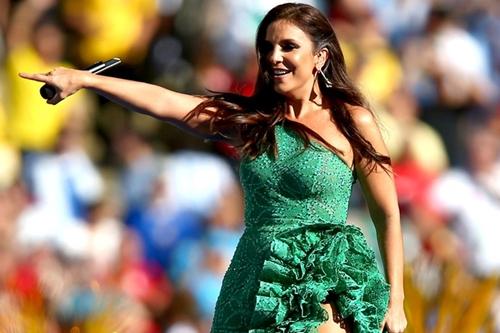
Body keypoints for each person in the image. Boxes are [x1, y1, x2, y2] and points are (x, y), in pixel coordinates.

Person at [19, 3, 406, 333]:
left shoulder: (353, 121)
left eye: (289, 47)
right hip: (257, 275)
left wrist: (397, 300)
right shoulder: (250, 121)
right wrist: (85, 80)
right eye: (267, 48)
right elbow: (166, 102)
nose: (275, 57)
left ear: (320, 56)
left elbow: (386, 214)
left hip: (326, 277)